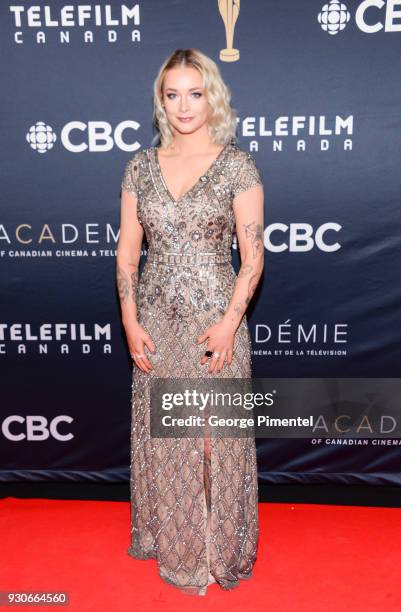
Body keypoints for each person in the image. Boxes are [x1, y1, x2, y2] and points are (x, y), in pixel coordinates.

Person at [116, 48, 264, 596]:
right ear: (161, 99)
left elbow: (253, 258)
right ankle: (171, 537)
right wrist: (130, 320)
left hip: (215, 318)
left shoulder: (237, 164)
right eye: (172, 94)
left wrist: (229, 322)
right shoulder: (138, 166)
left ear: (212, 97)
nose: (184, 105)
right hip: (155, 315)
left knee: (213, 437)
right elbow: (128, 255)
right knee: (165, 436)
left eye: (195, 93)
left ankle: (217, 549)